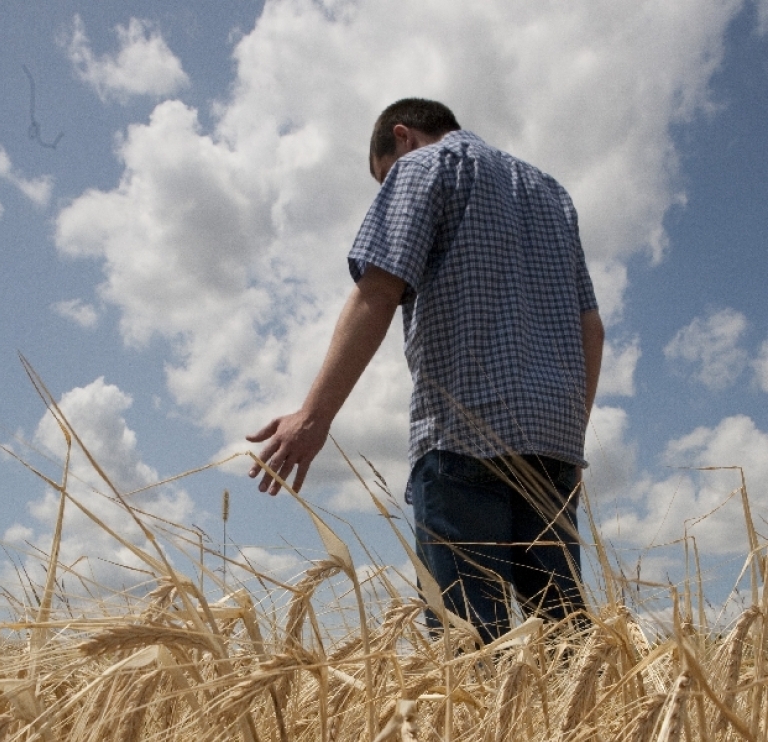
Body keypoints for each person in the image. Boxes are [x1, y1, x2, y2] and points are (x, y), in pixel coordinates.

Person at [247, 98, 604, 642]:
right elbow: (591, 329)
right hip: (555, 444)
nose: (387, 187)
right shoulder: (551, 192)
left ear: (403, 136)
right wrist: (571, 435)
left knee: (470, 643)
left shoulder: (423, 167)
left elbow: (380, 288)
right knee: (565, 645)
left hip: (465, 432)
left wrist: (314, 416)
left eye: (382, 177)